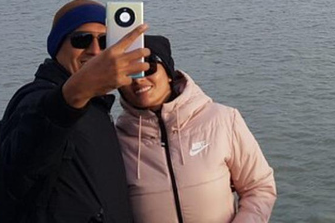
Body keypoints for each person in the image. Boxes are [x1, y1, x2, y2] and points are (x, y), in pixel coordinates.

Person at [0, 0, 151, 222]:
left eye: (104, 41)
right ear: (57, 46)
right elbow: (22, 163)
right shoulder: (35, 99)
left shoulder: (97, 106)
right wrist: (71, 96)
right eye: (81, 40)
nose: (95, 51)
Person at [115, 35, 277, 223]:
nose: (138, 80)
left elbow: (259, 187)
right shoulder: (114, 141)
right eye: (128, 73)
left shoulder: (223, 120)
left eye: (148, 68)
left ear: (169, 73)